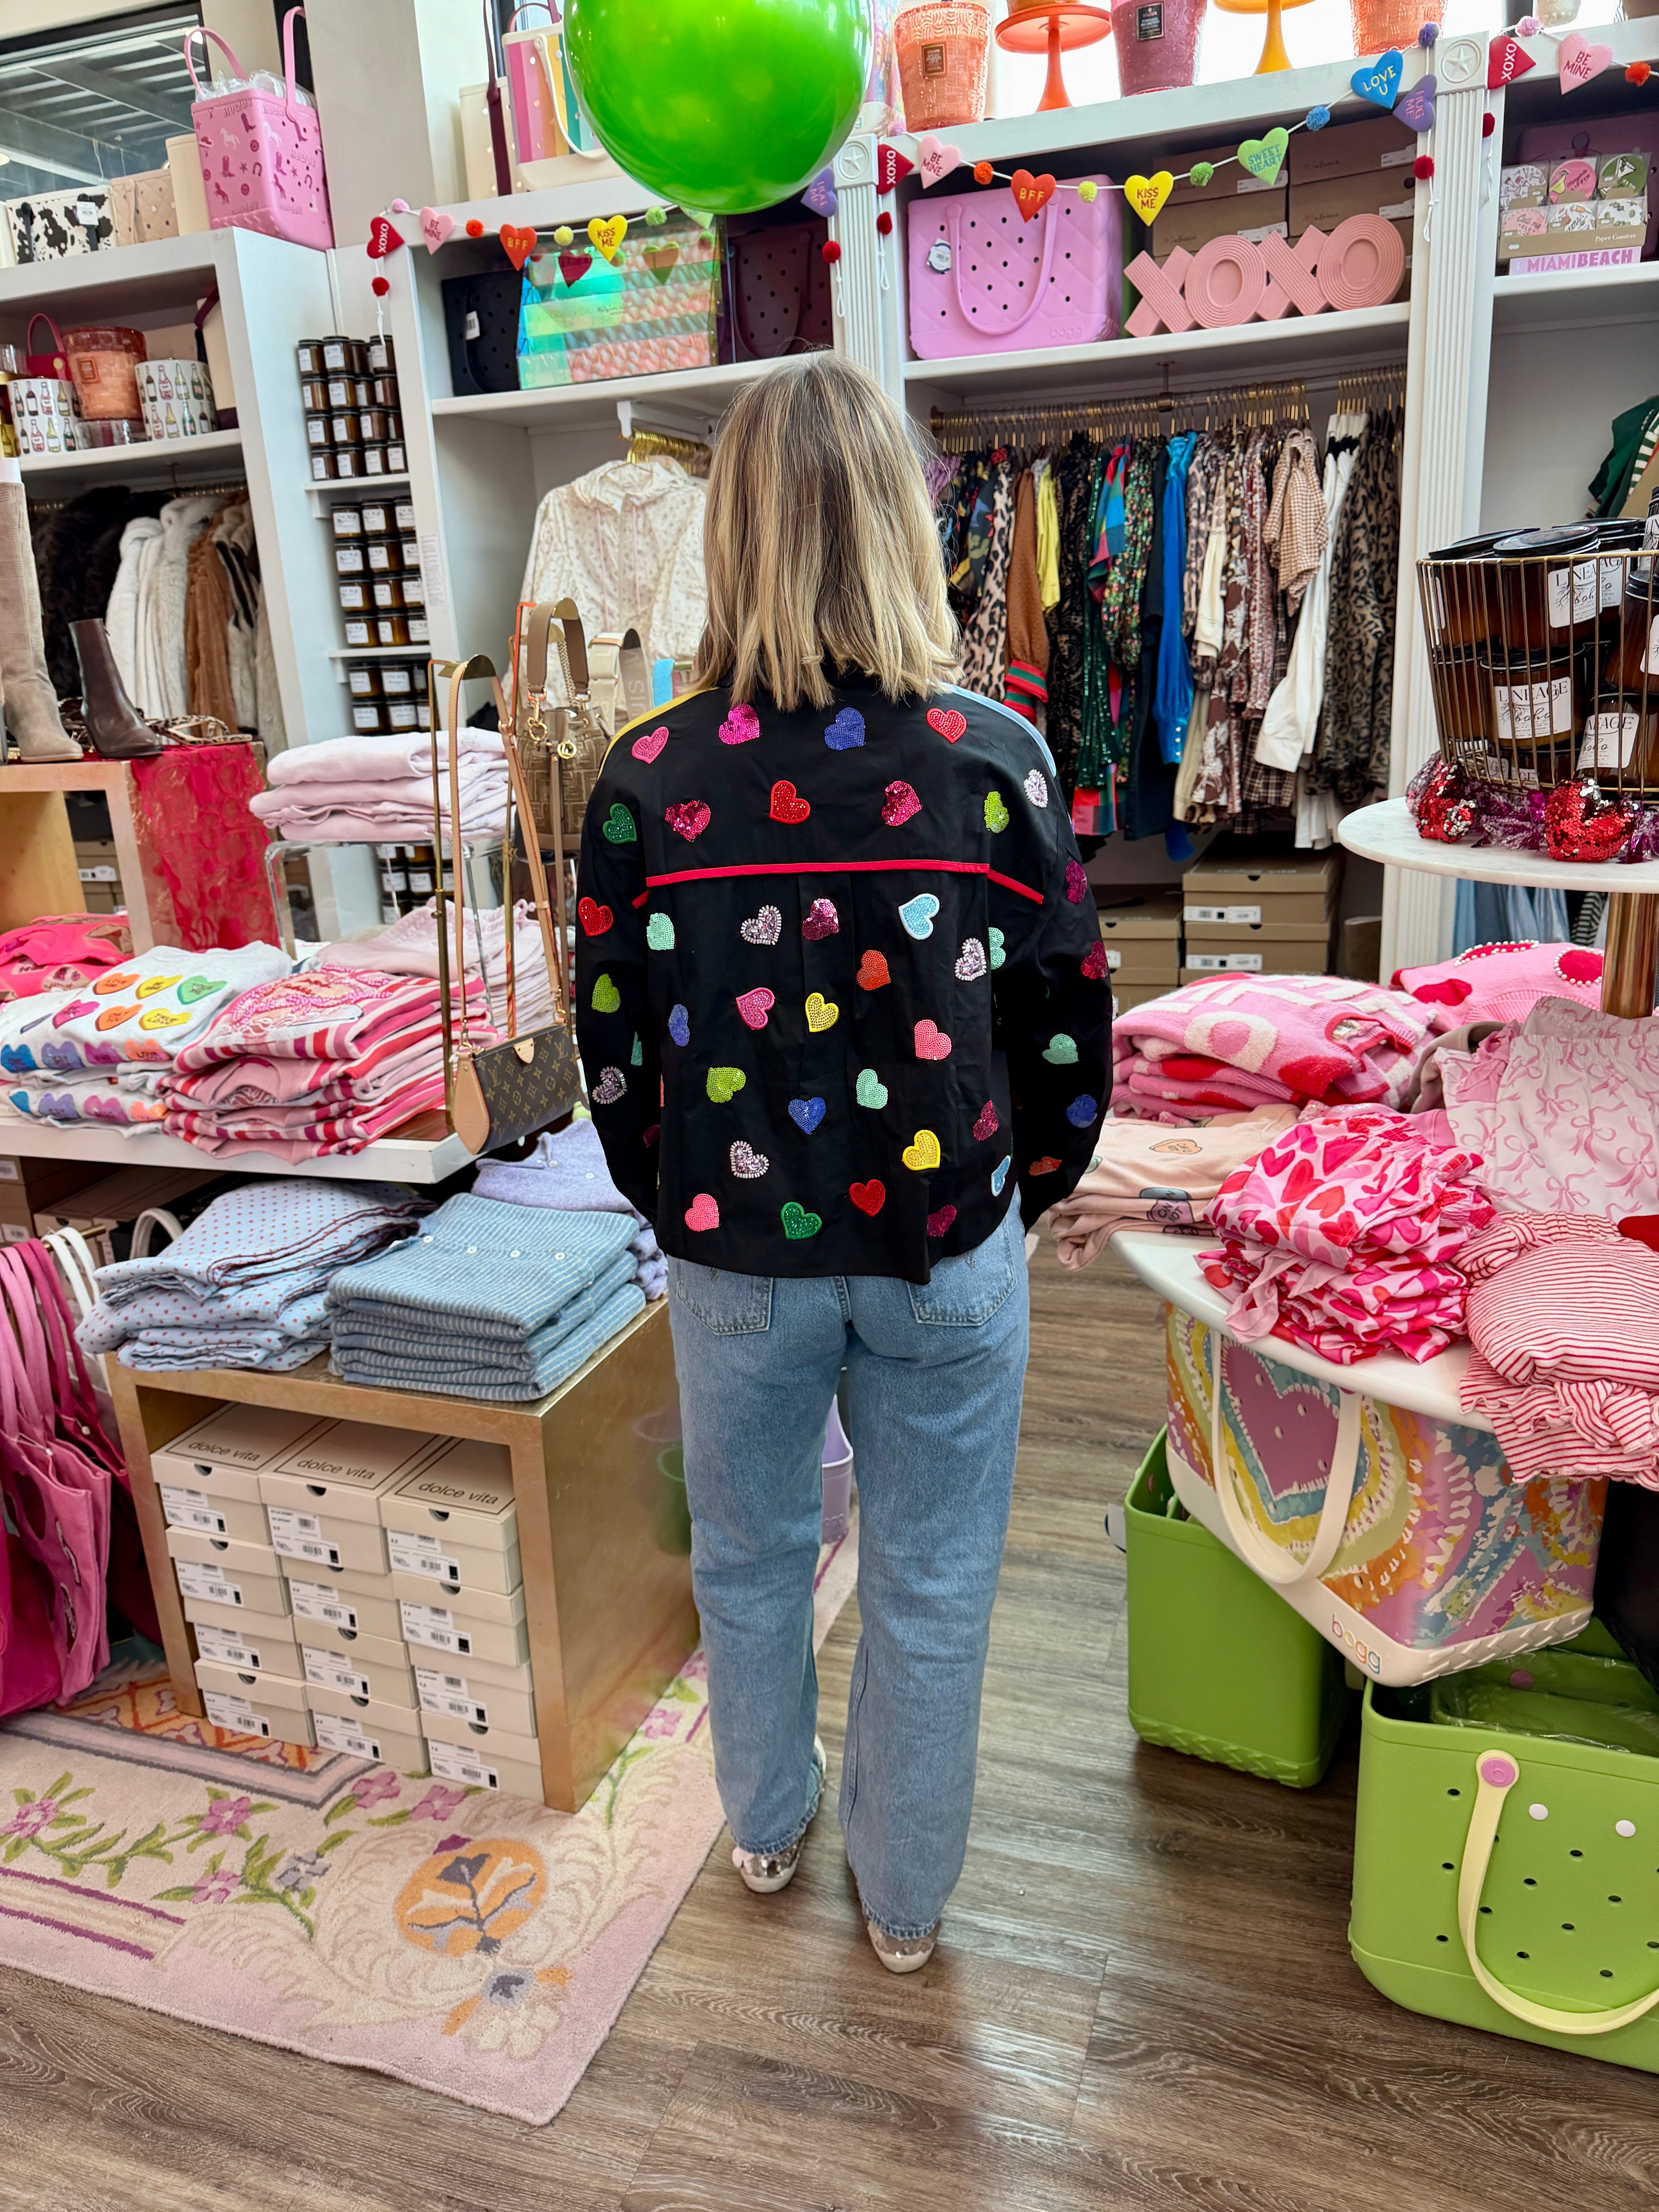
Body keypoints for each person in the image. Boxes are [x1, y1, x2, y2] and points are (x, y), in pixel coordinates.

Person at [576, 356, 1109, 1973]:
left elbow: (614, 1043)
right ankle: (904, 1904)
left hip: (734, 1252)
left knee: (745, 1558)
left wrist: (675, 1196)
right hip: (944, 1245)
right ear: (901, 521)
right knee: (931, 1585)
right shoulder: (993, 761)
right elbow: (1067, 1025)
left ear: (728, 531)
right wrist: (1021, 1194)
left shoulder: (646, 780)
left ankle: (763, 1825)